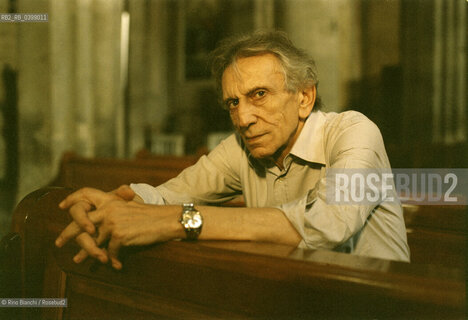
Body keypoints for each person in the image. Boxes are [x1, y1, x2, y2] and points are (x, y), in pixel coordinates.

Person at [55, 31, 410, 270]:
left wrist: (180, 221)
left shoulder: (355, 132)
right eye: (232, 103)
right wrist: (108, 207)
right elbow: (168, 195)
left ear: (304, 97)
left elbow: (326, 224)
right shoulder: (242, 148)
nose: (242, 118)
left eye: (259, 95)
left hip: (381, 303)